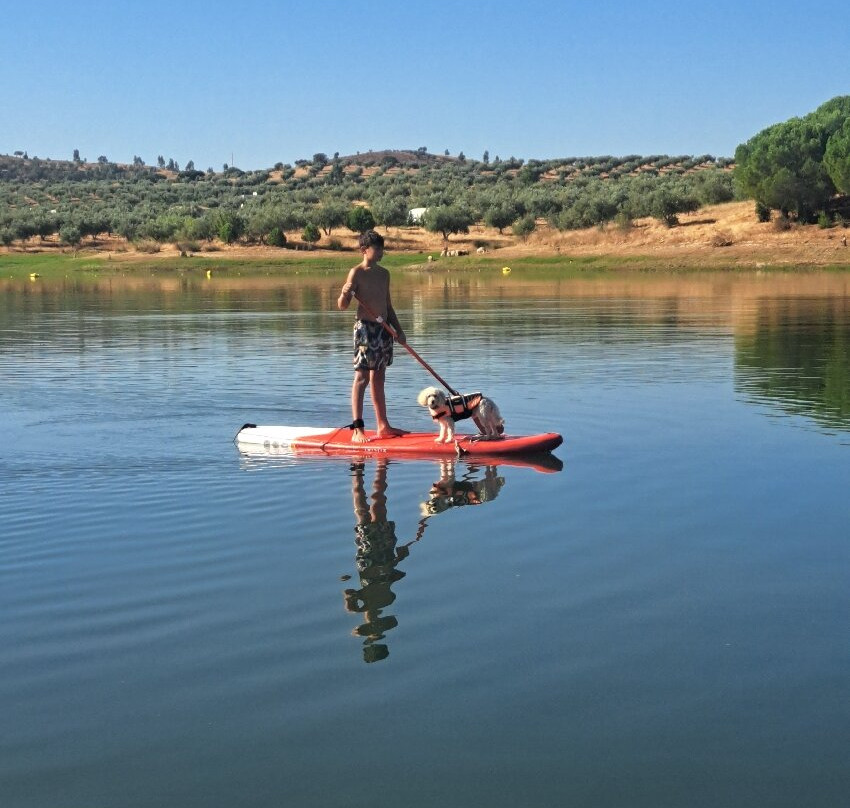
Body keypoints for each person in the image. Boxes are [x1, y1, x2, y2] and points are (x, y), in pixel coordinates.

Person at [337, 230, 407, 442]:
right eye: (377, 249)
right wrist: (344, 292)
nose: (380, 253)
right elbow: (342, 306)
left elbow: (388, 305)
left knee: (380, 378)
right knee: (362, 378)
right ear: (364, 250)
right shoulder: (356, 273)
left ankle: (383, 425)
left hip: (383, 329)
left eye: (382, 249)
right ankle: (357, 428)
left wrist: (399, 330)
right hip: (365, 330)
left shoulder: (384, 274)